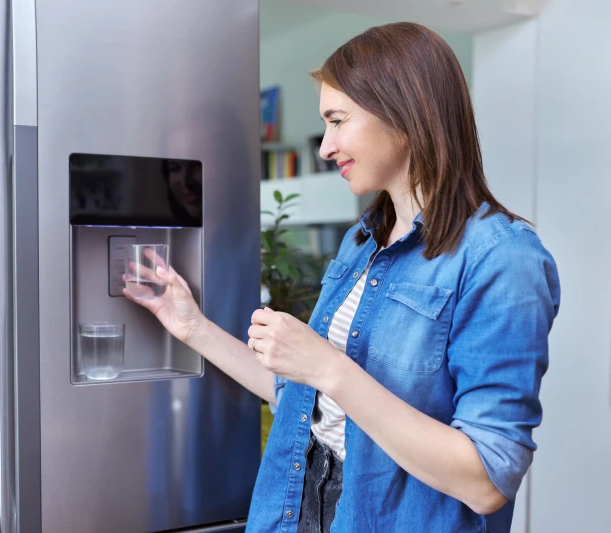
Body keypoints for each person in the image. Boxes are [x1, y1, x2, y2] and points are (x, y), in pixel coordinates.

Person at [124, 22, 560, 533]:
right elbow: (301, 397)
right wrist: (191, 326)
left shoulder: (502, 258)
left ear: (405, 113)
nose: (325, 147)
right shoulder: (362, 239)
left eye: (337, 121)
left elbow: (486, 481)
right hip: (297, 510)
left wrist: (331, 369)